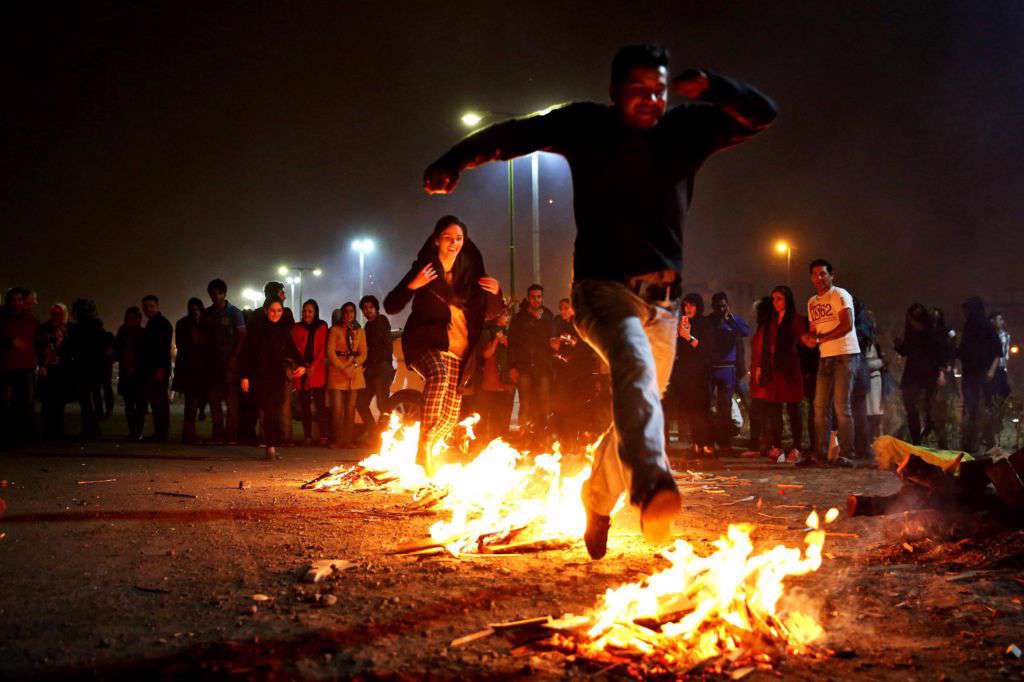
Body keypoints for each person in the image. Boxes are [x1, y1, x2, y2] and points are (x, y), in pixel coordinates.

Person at [424, 44, 776, 558]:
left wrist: (718, 89)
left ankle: (597, 497)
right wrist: (455, 159)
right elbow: (516, 134)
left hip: (664, 304)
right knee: (632, 367)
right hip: (601, 290)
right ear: (614, 94)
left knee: (642, 404)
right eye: (637, 91)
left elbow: (763, 115)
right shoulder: (587, 125)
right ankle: (652, 480)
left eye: (658, 89)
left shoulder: (685, 131)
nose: (650, 100)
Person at [384, 216, 503, 474]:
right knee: (437, 375)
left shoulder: (470, 277)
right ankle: (423, 447)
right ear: (437, 239)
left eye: (459, 239)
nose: (454, 243)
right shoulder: (425, 268)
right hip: (425, 344)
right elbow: (391, 304)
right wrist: (413, 284)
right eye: (448, 238)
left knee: (449, 417)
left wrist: (497, 293)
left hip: (459, 356)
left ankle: (427, 451)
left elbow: (492, 313)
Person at [799, 259, 860, 467]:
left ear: (832, 275)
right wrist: (809, 337)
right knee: (819, 406)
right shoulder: (812, 302)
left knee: (842, 406)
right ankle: (820, 453)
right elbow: (815, 330)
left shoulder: (840, 295)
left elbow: (847, 325)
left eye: (823, 274)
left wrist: (821, 339)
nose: (819, 278)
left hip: (845, 354)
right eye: (815, 274)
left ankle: (848, 454)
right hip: (825, 357)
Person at [240, 299, 305, 459]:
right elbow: (247, 354)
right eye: (272, 310)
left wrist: (302, 364)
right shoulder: (256, 330)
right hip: (261, 376)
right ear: (265, 310)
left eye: (279, 311)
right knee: (268, 411)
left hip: (278, 376)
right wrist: (245, 376)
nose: (276, 314)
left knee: (275, 411)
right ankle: (270, 446)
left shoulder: (283, 330)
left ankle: (272, 445)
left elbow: (292, 349)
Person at [750, 286, 807, 460]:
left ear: (788, 300)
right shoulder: (771, 320)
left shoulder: (796, 320)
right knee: (773, 410)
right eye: (774, 299)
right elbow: (763, 346)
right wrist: (759, 367)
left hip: (789, 368)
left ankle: (797, 446)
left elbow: (804, 342)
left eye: (780, 298)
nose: (776, 302)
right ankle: (777, 445)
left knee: (793, 408)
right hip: (772, 370)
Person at [663, 292, 710, 456]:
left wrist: (688, 337)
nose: (687, 308)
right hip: (680, 373)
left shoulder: (704, 324)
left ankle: (701, 443)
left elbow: (705, 349)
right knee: (673, 407)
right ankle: (665, 443)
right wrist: (677, 335)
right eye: (685, 305)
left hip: (698, 375)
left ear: (698, 307)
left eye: (691, 305)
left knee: (698, 409)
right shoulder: (681, 322)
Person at [704, 292, 751, 453]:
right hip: (711, 368)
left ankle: (724, 443)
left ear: (727, 305)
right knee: (707, 405)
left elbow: (745, 332)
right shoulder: (708, 321)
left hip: (728, 368)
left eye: (723, 306)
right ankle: (709, 441)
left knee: (725, 406)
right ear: (713, 306)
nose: (721, 309)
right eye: (718, 306)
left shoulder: (733, 320)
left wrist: (730, 319)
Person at [509, 285, 556, 444]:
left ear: (542, 297)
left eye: (539, 297)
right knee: (525, 403)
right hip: (524, 367)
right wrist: (512, 367)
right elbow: (512, 343)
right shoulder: (519, 318)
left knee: (544, 402)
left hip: (543, 367)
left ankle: (543, 438)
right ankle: (524, 438)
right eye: (533, 297)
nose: (536, 300)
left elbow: (552, 339)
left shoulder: (548, 316)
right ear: (528, 298)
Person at [202, 279, 246, 444]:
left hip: (230, 364)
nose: (216, 296)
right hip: (213, 364)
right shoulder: (208, 314)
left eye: (219, 293)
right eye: (213, 293)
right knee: (214, 401)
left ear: (224, 293)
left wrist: (235, 358)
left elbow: (242, 338)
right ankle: (217, 434)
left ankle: (231, 435)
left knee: (231, 401)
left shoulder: (234, 313)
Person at [894, 303, 945, 445]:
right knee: (911, 407)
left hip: (928, 375)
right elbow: (906, 351)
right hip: (912, 374)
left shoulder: (932, 333)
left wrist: (941, 372)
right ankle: (916, 441)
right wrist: (898, 345)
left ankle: (933, 436)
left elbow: (940, 353)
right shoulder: (911, 333)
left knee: (929, 409)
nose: (913, 323)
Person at [957, 297, 1002, 452]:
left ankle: (983, 442)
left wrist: (991, 371)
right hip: (969, 373)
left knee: (979, 408)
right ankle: (969, 443)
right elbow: (964, 350)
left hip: (982, 374)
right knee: (970, 408)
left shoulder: (986, 327)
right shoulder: (968, 327)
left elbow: (998, 351)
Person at [0, 287, 39, 447]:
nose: (17, 303)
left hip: (26, 367)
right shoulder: (3, 319)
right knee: (6, 403)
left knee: (25, 403)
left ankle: (22, 437)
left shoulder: (30, 320)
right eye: (13, 300)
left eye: (19, 300)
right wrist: (10, 342)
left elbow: (37, 341)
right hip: (6, 367)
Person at [65, 299, 109, 441]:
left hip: (85, 368)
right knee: (91, 399)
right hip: (94, 368)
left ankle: (91, 428)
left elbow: (75, 347)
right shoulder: (97, 328)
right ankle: (93, 428)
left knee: (86, 400)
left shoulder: (80, 329)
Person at [356, 295, 395, 444]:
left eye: (370, 307)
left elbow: (376, 345)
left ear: (376, 308)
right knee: (361, 402)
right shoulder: (367, 326)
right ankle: (374, 433)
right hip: (371, 370)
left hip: (382, 368)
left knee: (382, 404)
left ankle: (383, 436)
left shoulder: (381, 321)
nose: (368, 311)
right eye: (365, 308)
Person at [327, 302, 366, 448]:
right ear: (342, 314)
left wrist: (354, 365)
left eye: (351, 312)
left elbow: (363, 354)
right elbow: (330, 352)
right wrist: (343, 368)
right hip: (338, 373)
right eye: (346, 312)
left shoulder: (359, 331)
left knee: (350, 409)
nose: (349, 315)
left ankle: (348, 440)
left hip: (354, 375)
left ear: (355, 313)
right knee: (337, 409)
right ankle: (337, 440)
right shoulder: (335, 330)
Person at [292, 299, 329, 446]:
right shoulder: (297, 328)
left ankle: (323, 436)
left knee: (320, 406)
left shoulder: (321, 326)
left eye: (310, 311)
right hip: (301, 371)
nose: (306, 314)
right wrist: (301, 366)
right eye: (304, 311)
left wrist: (312, 367)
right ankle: (307, 436)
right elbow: (294, 348)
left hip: (317, 371)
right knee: (304, 405)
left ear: (315, 313)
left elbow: (321, 350)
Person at [476, 306, 515, 445]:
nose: (507, 318)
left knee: (504, 413)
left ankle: (502, 441)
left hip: (506, 378)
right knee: (490, 413)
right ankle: (488, 442)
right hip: (492, 378)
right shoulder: (487, 332)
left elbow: (514, 352)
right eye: (505, 315)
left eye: (508, 315)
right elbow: (486, 354)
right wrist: (497, 341)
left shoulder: (510, 332)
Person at [173, 297, 206, 444]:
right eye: (193, 310)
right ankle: (189, 434)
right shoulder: (184, 324)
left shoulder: (206, 324)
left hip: (203, 368)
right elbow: (183, 347)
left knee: (196, 402)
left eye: (197, 310)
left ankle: (190, 433)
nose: (195, 313)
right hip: (191, 369)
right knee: (191, 403)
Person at [140, 295, 173, 442]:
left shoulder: (162, 324)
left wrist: (160, 368)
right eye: (146, 306)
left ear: (157, 306)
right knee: (156, 402)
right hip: (153, 368)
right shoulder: (153, 323)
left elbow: (163, 349)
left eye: (151, 306)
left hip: (158, 369)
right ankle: (160, 432)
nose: (148, 309)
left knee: (160, 402)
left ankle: (162, 433)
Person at [36, 303, 68, 439]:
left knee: (59, 401)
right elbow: (38, 346)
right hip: (48, 367)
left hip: (62, 368)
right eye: (54, 314)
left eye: (59, 314)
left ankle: (57, 429)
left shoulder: (68, 329)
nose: (56, 317)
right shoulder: (44, 328)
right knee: (47, 401)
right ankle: (48, 430)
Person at [115, 306, 147, 440]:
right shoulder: (124, 334)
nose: (132, 321)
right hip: (128, 373)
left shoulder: (141, 334)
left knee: (138, 405)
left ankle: (137, 431)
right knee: (130, 405)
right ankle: (134, 431)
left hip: (138, 374)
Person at [989, 312, 1012, 403]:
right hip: (989, 367)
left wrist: (1005, 368)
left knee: (1004, 392)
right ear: (992, 321)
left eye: (1002, 320)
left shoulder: (1006, 336)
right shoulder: (987, 335)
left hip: (1000, 368)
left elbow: (1006, 354)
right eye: (999, 319)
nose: (1002, 322)